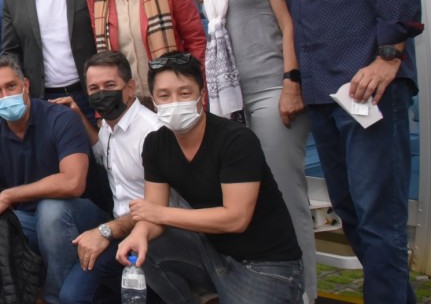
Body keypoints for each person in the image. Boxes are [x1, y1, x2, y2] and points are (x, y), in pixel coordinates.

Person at [252, 0, 423, 303]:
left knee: (378, 216)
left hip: (368, 86)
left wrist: (388, 58)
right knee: (349, 213)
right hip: (324, 93)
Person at [191, 0, 315, 300]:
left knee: (286, 195)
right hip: (231, 100)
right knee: (247, 197)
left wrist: (292, 81)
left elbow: (288, 21)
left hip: (269, 89)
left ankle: (305, 293)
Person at [115, 52, 304, 303]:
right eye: (164, 95)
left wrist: (157, 214)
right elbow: (154, 213)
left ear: (201, 97)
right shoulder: (156, 144)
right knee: (146, 248)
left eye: (184, 93)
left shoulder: (236, 140)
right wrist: (139, 233)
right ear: (154, 101)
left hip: (266, 263)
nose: (174, 102)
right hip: (213, 253)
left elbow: (236, 219)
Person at [0, 55, 102, 304]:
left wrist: (9, 194)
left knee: (51, 211)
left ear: (26, 85)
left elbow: (74, 182)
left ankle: (53, 297)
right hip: (29, 220)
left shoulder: (60, 118)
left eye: (11, 86)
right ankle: (34, 293)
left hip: (81, 214)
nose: (5, 95)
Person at [63, 52, 162, 304]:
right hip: (119, 228)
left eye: (110, 86)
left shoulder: (152, 132)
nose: (101, 94)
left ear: (129, 88)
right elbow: (101, 151)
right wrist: (78, 116)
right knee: (71, 295)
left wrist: (104, 232)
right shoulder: (108, 126)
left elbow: (160, 207)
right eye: (94, 88)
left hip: (154, 233)